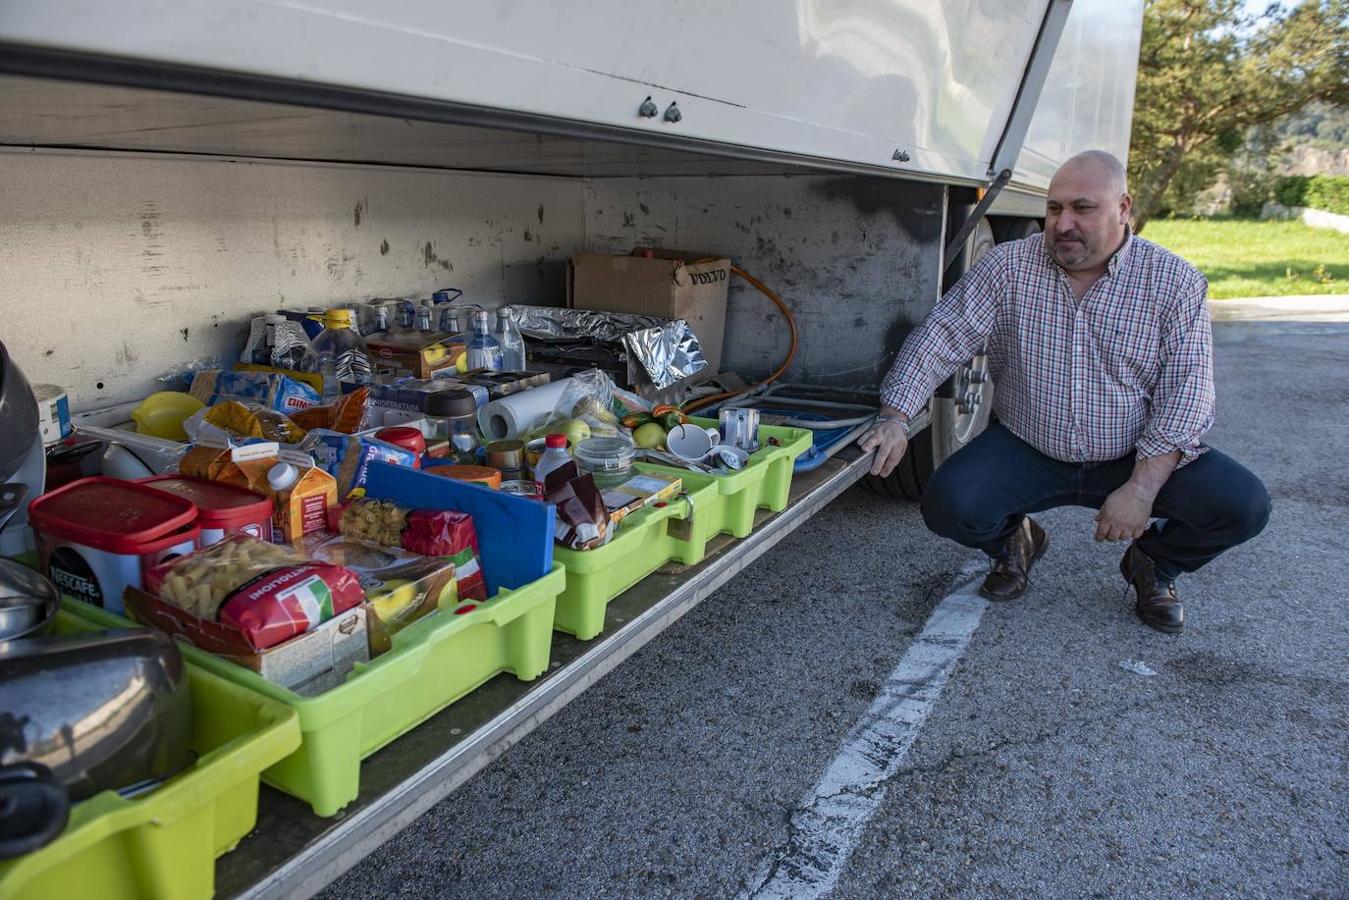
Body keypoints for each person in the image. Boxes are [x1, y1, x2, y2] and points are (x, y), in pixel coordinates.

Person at [860, 150, 1270, 634]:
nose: (1063, 223)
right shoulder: (1008, 267)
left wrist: (1142, 489)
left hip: (1132, 453)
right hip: (1029, 445)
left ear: (1123, 208)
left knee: (1242, 505)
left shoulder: (1174, 282)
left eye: (1082, 208)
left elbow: (1188, 393)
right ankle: (1015, 541)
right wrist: (895, 415)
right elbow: (943, 335)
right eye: (1054, 208)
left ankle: (1155, 564)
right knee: (948, 504)